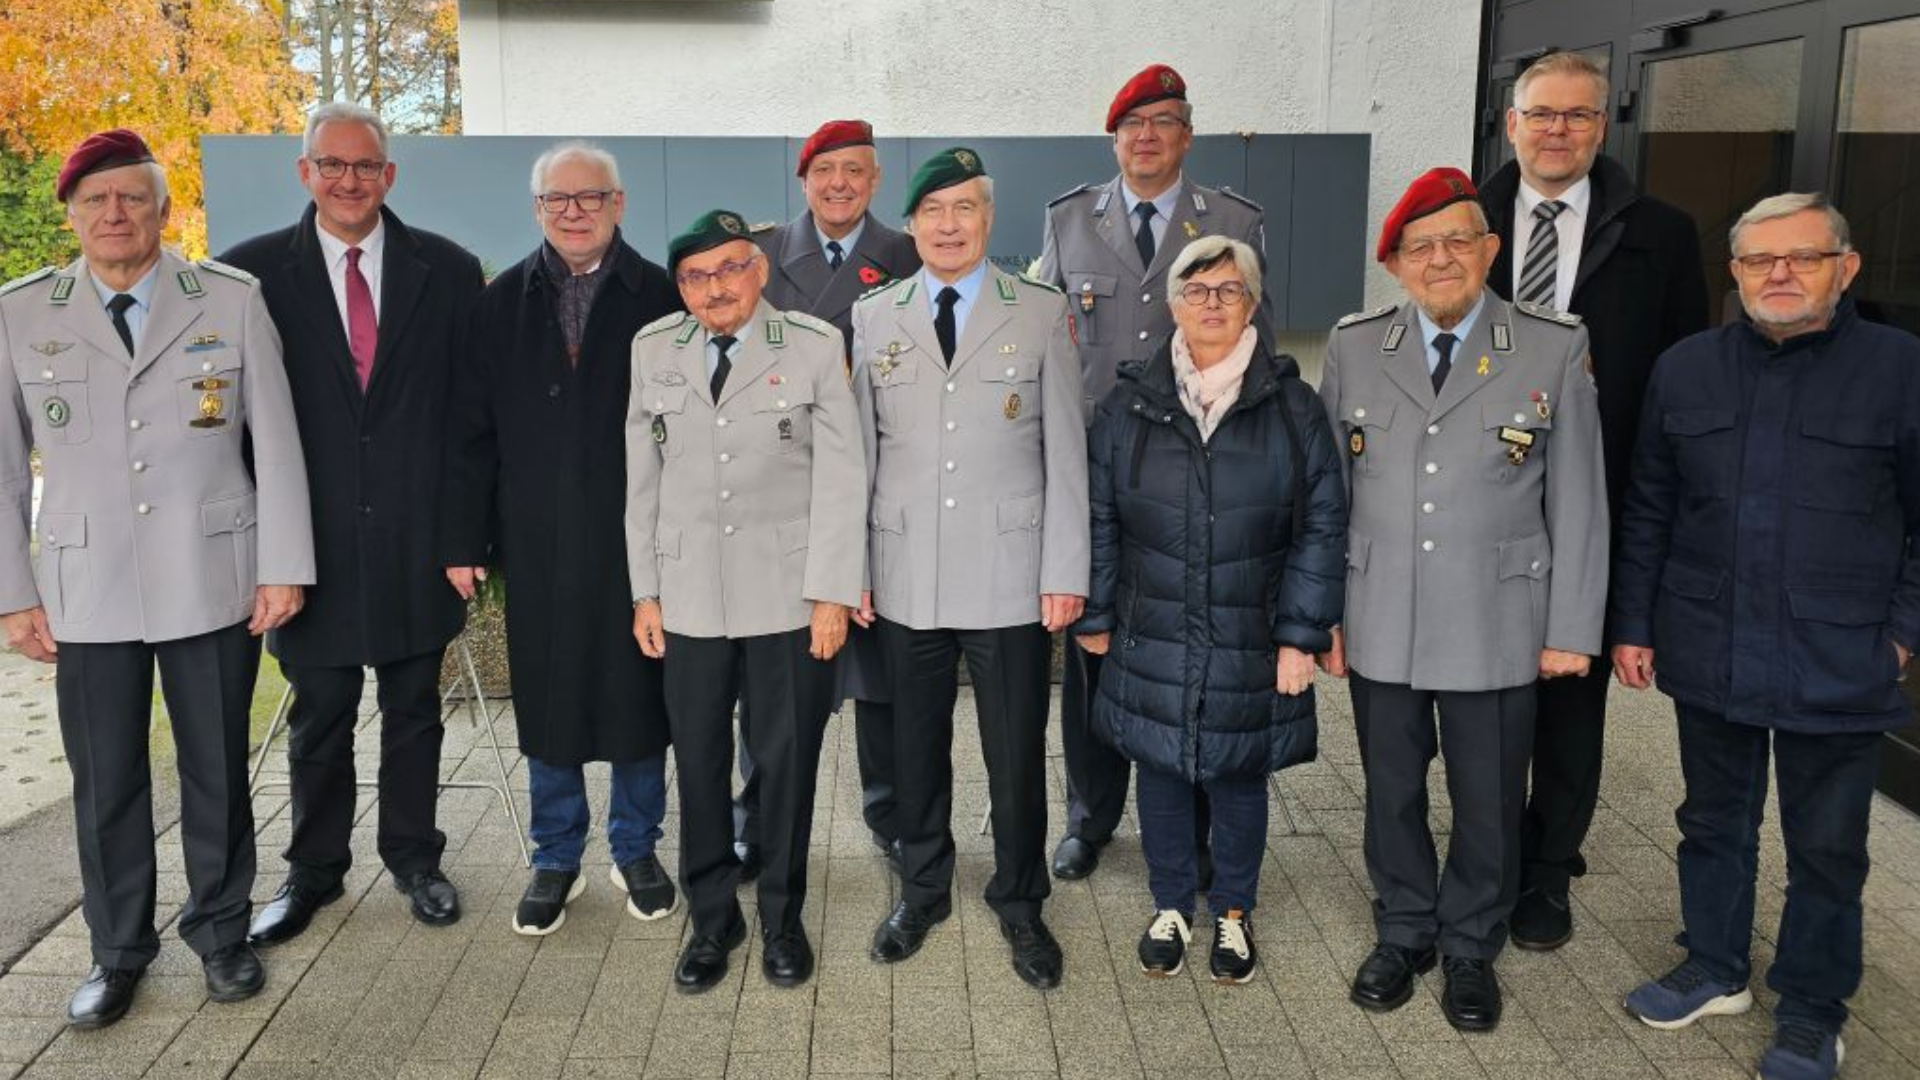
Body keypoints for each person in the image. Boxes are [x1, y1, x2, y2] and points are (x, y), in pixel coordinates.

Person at [0, 129, 314, 1026]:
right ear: (71, 216)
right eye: (96, 200)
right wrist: (11, 593)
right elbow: (3, 469)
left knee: (217, 766)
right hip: (84, 586)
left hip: (212, 573)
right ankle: (117, 951)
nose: (114, 214)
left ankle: (221, 935)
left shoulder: (228, 298)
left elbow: (280, 446)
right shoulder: (20, 312)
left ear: (163, 210)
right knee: (105, 781)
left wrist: (284, 566)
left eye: (133, 197)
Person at [1612, 193, 1919, 1080]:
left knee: (1827, 847)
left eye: (1802, 257)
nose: (1779, 274)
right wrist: (1634, 622)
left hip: (1842, 655)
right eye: (1758, 261)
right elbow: (1651, 505)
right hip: (1709, 640)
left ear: (1845, 267)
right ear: (1736, 273)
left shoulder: (1898, 369)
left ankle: (1813, 1011)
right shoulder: (1689, 369)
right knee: (1712, 822)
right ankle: (1714, 966)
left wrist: (1900, 636)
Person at [1318, 167, 1607, 1032]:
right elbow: (1330, 492)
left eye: (1457, 240)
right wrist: (1323, 613)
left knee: (1488, 793)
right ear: (1397, 265)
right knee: (1391, 786)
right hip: (1384, 615)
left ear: (1490, 250)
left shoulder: (1552, 345)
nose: (1440, 258)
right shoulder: (1357, 344)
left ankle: (1473, 941)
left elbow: (1581, 501)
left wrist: (1571, 629)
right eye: (1420, 246)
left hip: (1498, 618)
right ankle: (1405, 926)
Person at [220, 102, 483, 946]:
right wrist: (265, 551)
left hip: (417, 542)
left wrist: (463, 539)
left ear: (389, 176)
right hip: (310, 547)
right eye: (331, 165)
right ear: (306, 173)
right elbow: (233, 433)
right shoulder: (251, 276)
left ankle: (415, 858)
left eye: (365, 166)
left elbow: (469, 421)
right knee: (320, 713)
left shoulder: (448, 268)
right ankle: (314, 872)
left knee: (415, 708)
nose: (348, 180)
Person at [1475, 50, 1710, 950]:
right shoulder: (1467, 222)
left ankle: (1548, 872)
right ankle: (1488, 860)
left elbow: (1681, 382)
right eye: (1541, 115)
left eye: (1576, 116)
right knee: (1487, 692)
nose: (1557, 131)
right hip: (1488, 493)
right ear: (1512, 123)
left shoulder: (1660, 231)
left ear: (1601, 125)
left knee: (1572, 694)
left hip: (1598, 497)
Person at [1074, 235, 1344, 983]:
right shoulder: (1132, 403)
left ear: (1253, 304)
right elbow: (1099, 514)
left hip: (1249, 625)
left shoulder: (1293, 406)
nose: (1213, 304)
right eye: (1196, 291)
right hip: (1151, 620)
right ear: (1172, 305)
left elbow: (1322, 524)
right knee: (1159, 765)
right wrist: (1095, 613)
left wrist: (1301, 635)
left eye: (1229, 290)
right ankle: (1169, 903)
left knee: (1236, 770)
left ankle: (1232, 910)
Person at [852, 148, 1089, 989]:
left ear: (989, 221)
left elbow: (1066, 448)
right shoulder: (874, 317)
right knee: (913, 749)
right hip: (906, 569)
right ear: (912, 224)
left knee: (1016, 751)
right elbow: (861, 454)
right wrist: (856, 571)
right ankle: (923, 889)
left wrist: (1065, 567)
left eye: (965, 210)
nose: (948, 226)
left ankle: (1020, 900)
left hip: (1011, 575)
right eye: (933, 212)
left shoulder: (1040, 310)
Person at [440, 142, 681, 936]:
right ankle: (555, 856)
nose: (573, 212)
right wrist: (464, 538)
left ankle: (637, 847)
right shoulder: (498, 299)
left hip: (642, 536)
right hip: (535, 535)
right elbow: (468, 431)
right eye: (557, 200)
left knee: (640, 693)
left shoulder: (663, 295)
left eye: (590, 197)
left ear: (619, 203)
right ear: (537, 209)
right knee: (547, 695)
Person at [1035, 63, 1268, 881]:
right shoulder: (1068, 221)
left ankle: (1198, 818)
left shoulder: (1234, 219)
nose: (1146, 136)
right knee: (1094, 648)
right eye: (1132, 124)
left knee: (1192, 646)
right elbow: (1045, 345)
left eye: (1163, 120)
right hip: (1100, 476)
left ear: (1186, 135)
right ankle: (1090, 816)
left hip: (1193, 472)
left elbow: (1253, 343)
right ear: (1115, 137)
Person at [627, 209, 866, 992]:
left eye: (730, 268)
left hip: (787, 600)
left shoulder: (812, 345)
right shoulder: (654, 348)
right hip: (689, 596)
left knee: (786, 762)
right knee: (696, 761)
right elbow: (643, 485)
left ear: (759, 269)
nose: (714, 288)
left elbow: (841, 480)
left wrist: (831, 592)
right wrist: (645, 592)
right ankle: (711, 919)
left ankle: (782, 914)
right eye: (696, 276)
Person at [741, 118, 920, 878]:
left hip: (877, 485)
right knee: (768, 672)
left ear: (875, 181)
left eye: (855, 171)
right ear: (802, 178)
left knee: (880, 672)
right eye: (825, 171)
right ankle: (756, 821)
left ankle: (891, 815)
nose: (839, 184)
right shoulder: (758, 254)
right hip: (774, 492)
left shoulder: (910, 256)